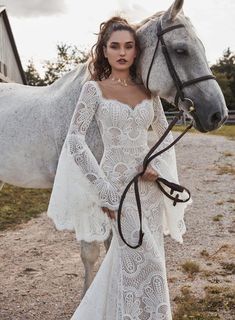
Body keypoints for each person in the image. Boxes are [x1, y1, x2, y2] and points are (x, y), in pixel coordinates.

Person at [47, 15, 190, 320]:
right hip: (116, 187)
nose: (122, 52)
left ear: (136, 52)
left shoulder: (149, 93)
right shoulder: (93, 90)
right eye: (115, 46)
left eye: (128, 46)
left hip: (147, 189)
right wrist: (103, 190)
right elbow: (75, 139)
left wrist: (155, 166)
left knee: (149, 259)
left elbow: (163, 137)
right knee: (140, 258)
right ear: (105, 50)